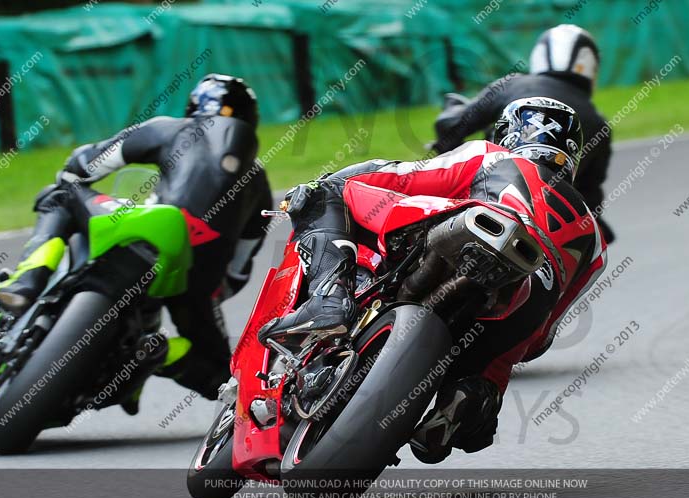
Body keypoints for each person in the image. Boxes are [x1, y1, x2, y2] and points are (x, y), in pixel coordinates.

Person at [257, 97, 607, 463]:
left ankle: (329, 297)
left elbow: (401, 177)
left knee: (329, 193)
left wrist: (329, 182)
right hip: (520, 310)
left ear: (510, 133)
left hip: (470, 229)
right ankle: (473, 399)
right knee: (495, 367)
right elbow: (541, 338)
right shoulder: (595, 239)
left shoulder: (493, 157)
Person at [0, 73, 273, 403]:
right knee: (221, 378)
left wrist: (70, 176)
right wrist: (208, 291)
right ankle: (159, 350)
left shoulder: (172, 128)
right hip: (194, 282)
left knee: (59, 193)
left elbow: (87, 163)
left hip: (146, 226)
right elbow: (239, 271)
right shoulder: (261, 189)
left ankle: (25, 281)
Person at [433, 24, 615, 243]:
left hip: (484, 198)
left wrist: (450, 114)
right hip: (546, 225)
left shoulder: (513, 84)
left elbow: (452, 126)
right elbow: (590, 195)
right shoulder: (600, 123)